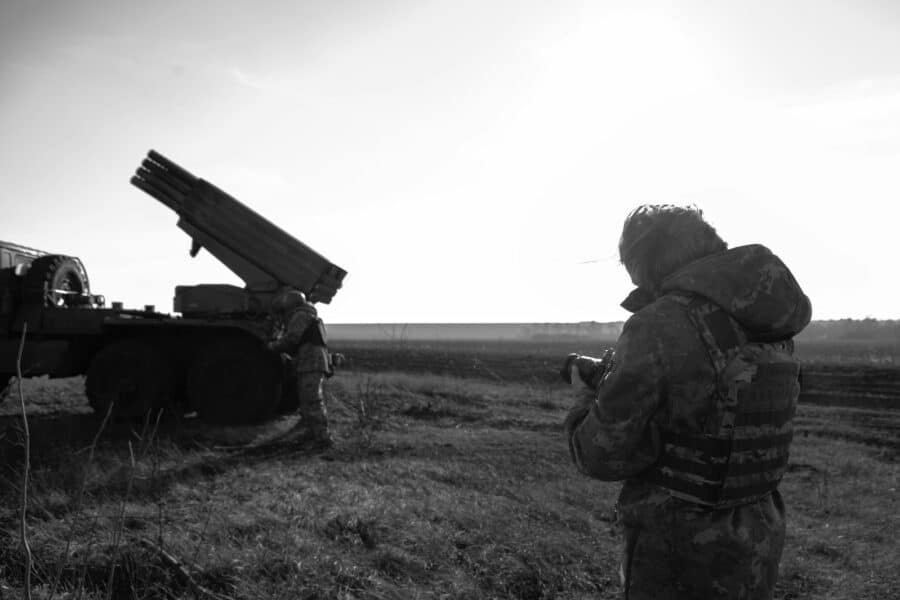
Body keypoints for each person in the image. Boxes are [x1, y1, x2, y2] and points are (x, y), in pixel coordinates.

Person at [564, 205, 812, 599]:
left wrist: (585, 398)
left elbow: (600, 455)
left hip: (680, 553)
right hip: (758, 538)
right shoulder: (765, 317)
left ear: (647, 264)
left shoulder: (661, 324)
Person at [267, 288, 334, 449]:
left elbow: (291, 339)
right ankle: (312, 434)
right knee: (306, 401)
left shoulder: (300, 316)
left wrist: (272, 346)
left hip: (311, 362)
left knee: (312, 401)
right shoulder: (308, 315)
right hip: (311, 362)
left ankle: (323, 438)